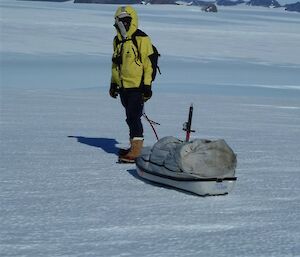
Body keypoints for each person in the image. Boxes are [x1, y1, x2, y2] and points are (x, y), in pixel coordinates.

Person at [109, 6, 155, 163]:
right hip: (123, 87)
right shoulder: (118, 41)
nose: (123, 23)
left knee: (133, 117)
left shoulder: (142, 38)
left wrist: (147, 86)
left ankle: (136, 152)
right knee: (130, 118)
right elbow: (116, 65)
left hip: (137, 87)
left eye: (127, 20)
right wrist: (113, 84)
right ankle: (134, 147)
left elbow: (148, 65)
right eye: (121, 20)